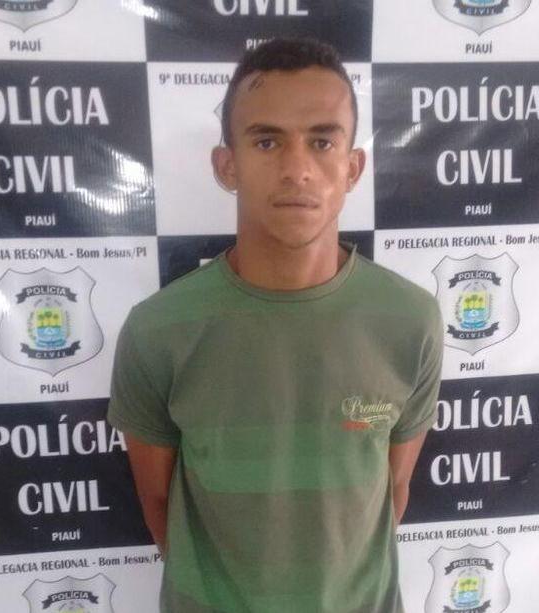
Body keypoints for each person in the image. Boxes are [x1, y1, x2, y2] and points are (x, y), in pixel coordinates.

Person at [107, 37, 444, 613]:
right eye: (267, 141)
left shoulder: (411, 319)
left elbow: (392, 491)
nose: (297, 169)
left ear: (353, 167)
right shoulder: (158, 329)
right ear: (227, 165)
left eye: (322, 141)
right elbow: (158, 501)